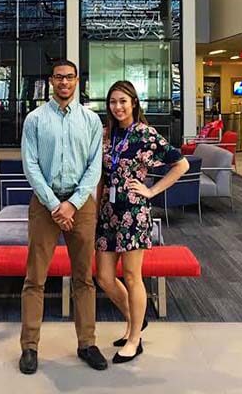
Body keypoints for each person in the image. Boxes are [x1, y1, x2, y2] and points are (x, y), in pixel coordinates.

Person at [18, 59, 106, 375]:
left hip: (81, 207)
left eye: (69, 77)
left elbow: (95, 166)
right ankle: (29, 346)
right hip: (45, 205)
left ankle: (87, 343)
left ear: (77, 80)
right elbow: (30, 165)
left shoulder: (92, 120)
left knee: (84, 278)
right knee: (35, 278)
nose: (64, 82)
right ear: (51, 81)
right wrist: (56, 204)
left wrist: (73, 203)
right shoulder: (35, 119)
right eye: (59, 77)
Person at [95, 81, 189, 364]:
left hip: (134, 213)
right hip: (107, 213)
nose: (118, 106)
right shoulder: (107, 135)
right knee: (104, 277)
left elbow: (181, 164)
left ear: (134, 102)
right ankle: (136, 319)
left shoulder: (145, 134)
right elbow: (101, 176)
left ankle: (135, 338)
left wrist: (151, 190)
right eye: (113, 102)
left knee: (133, 276)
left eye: (123, 101)